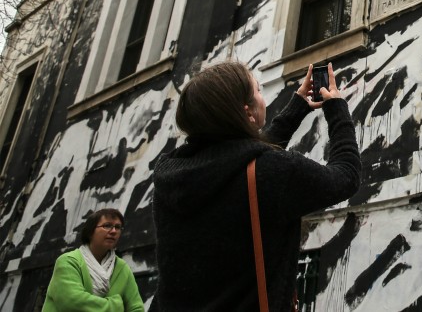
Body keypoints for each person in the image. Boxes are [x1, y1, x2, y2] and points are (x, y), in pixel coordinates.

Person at [154, 61, 361, 311]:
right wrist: (336, 108)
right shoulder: (273, 172)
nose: (263, 98)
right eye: (259, 90)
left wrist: (297, 108)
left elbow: (242, 162)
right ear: (247, 112)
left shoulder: (171, 176)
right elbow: (346, 176)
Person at [41, 208, 145, 311]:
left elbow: (137, 308)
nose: (114, 231)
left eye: (118, 227)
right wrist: (116, 306)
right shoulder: (68, 262)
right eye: (107, 226)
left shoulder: (122, 268)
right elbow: (72, 302)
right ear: (90, 232)